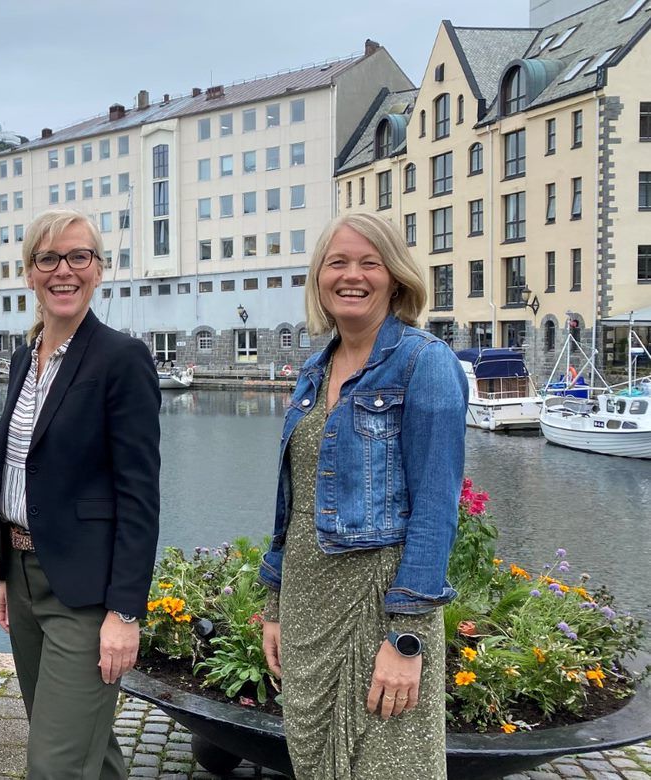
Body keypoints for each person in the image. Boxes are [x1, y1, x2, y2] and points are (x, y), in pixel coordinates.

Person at [258, 212, 467, 779]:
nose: (352, 276)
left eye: (368, 263)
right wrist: (274, 606)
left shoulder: (426, 363)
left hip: (379, 603)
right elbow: (294, 504)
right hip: (306, 604)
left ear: (394, 277)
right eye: (338, 263)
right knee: (312, 762)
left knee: (389, 766)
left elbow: (436, 511)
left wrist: (407, 638)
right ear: (319, 278)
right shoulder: (314, 369)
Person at [0, 208, 160, 780]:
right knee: (89, 748)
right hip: (23, 577)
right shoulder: (24, 358)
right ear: (29, 273)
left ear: (99, 268)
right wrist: (4, 572)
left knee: (54, 764)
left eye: (79, 256)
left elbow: (139, 495)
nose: (64, 270)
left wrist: (126, 611)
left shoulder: (121, 358)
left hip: (84, 591)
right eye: (48, 258)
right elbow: (17, 470)